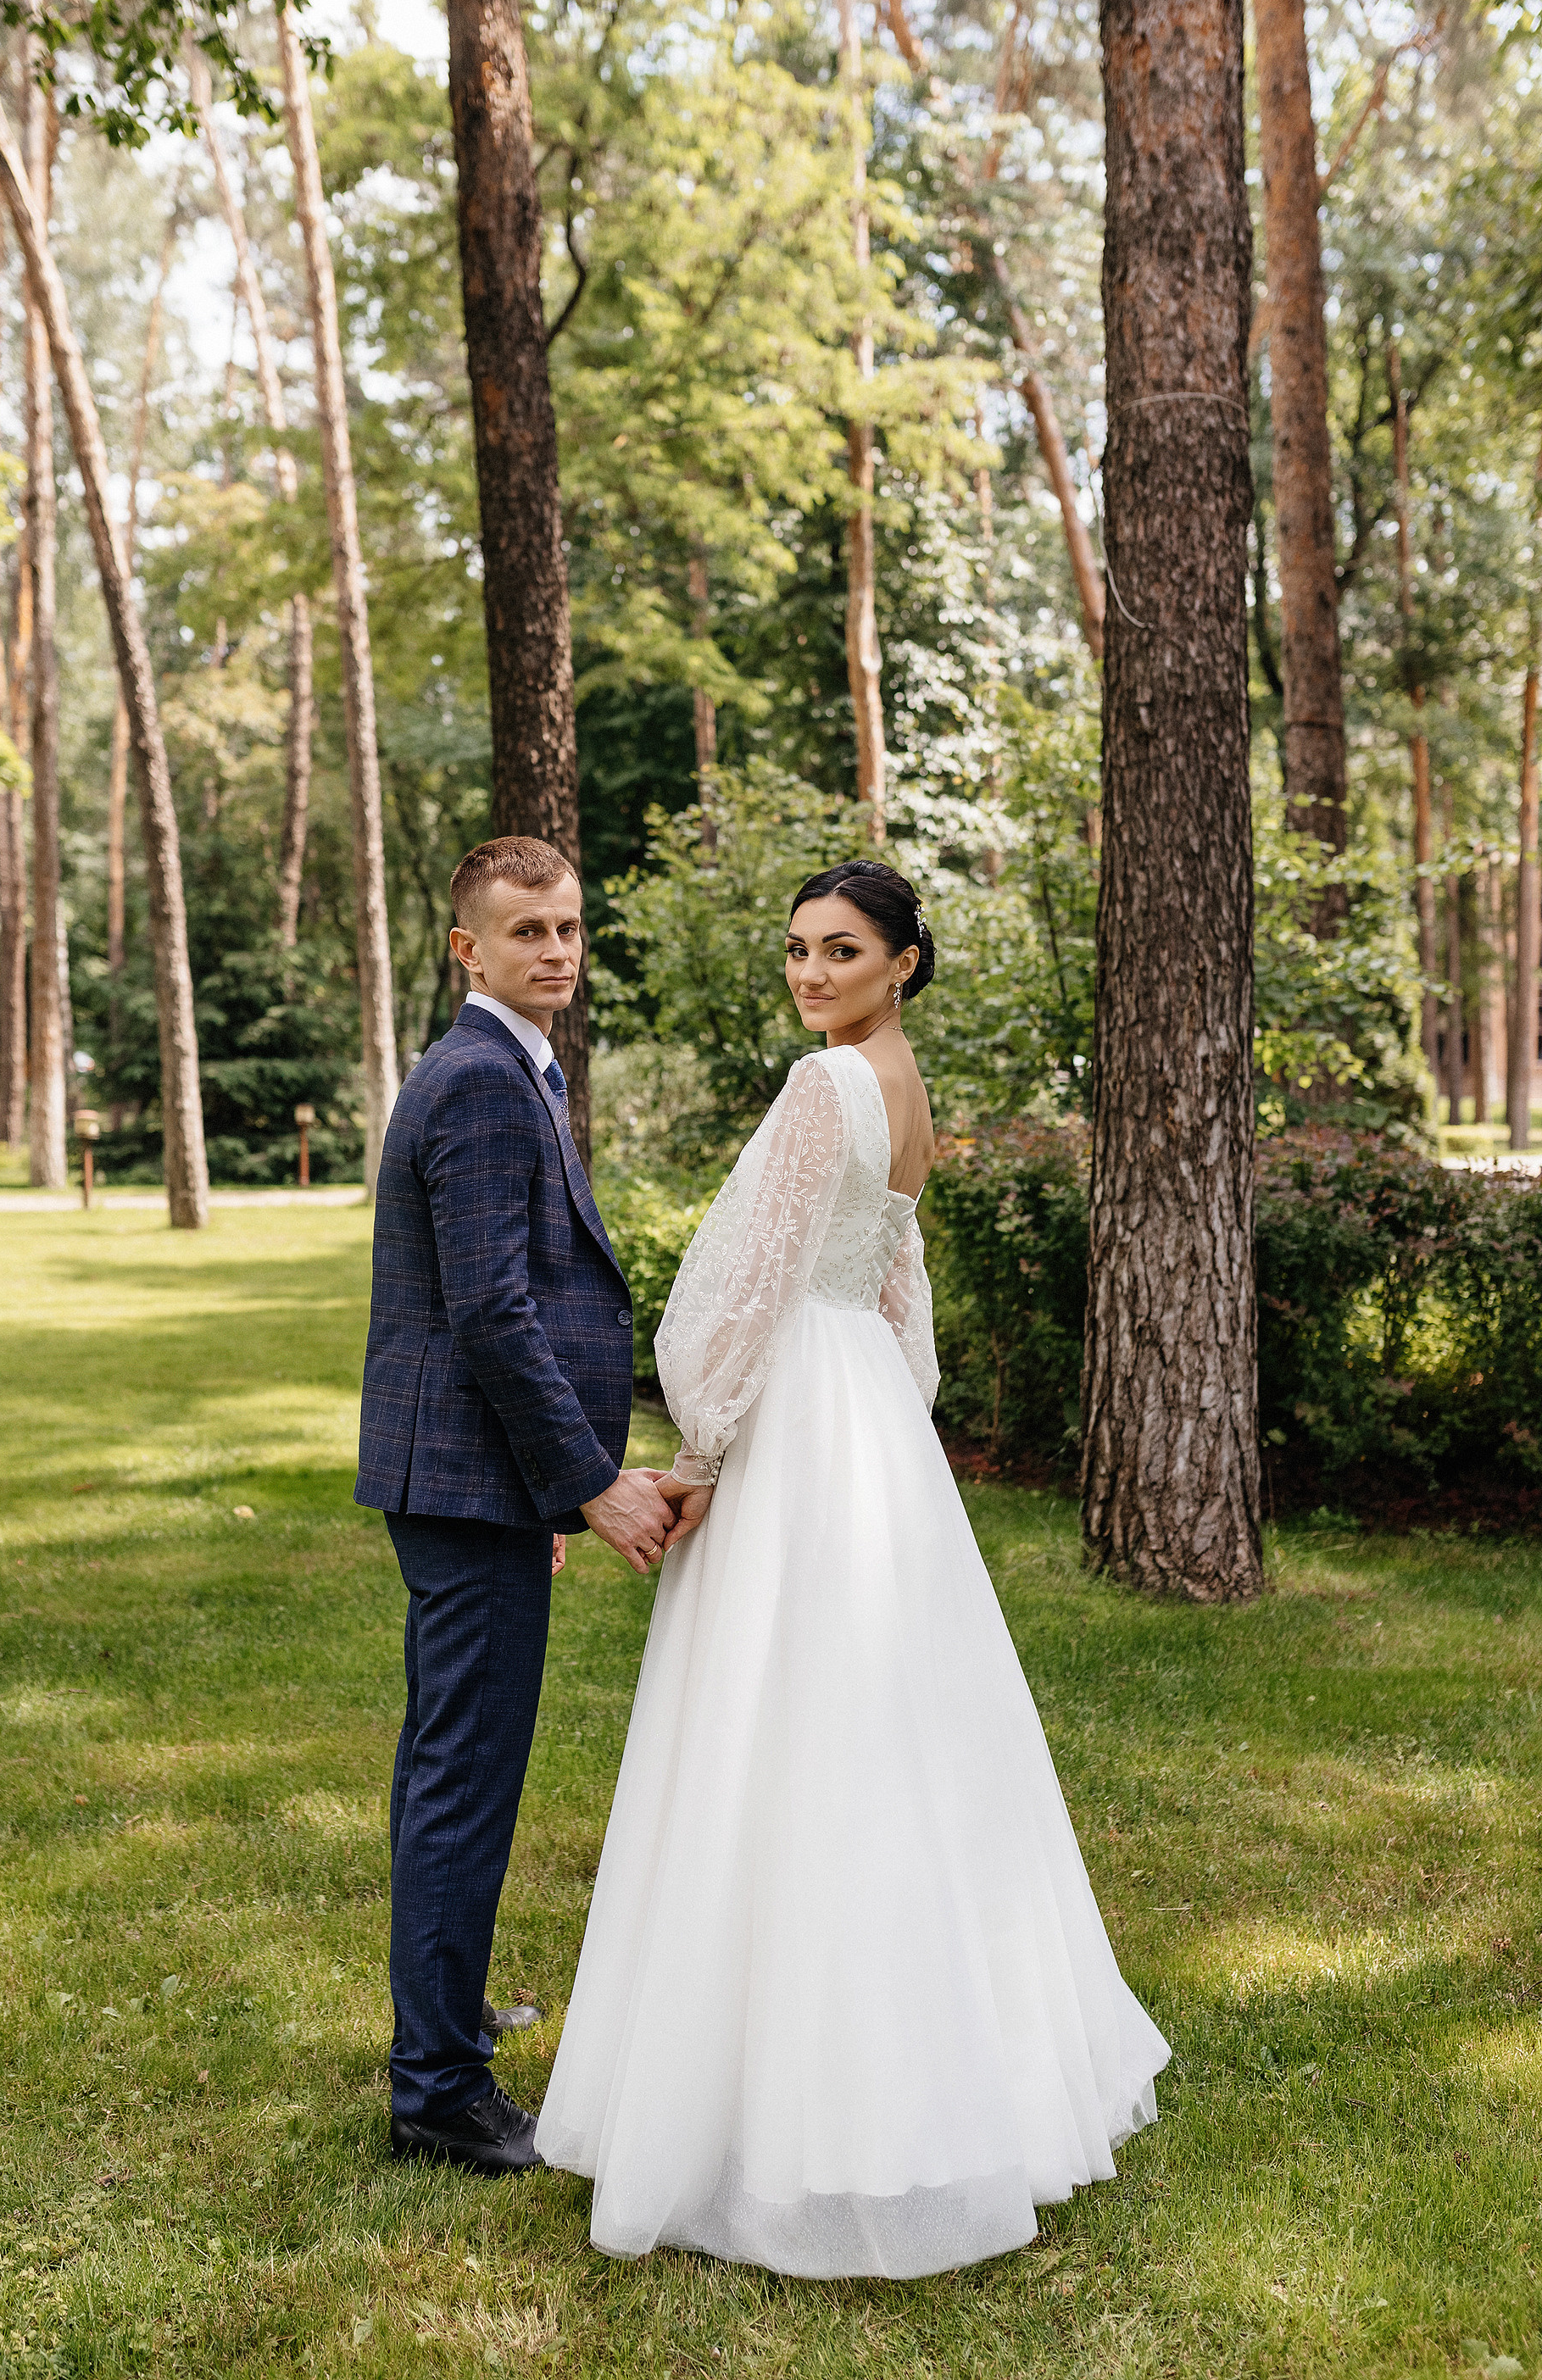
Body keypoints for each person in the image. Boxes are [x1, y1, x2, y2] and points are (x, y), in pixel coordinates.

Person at [537, 858, 1170, 2277]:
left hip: (799, 1416)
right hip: (862, 1409)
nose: (812, 973)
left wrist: (699, 1442)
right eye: (799, 950)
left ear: (904, 962)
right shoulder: (899, 1083)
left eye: (841, 952)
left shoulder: (822, 1088)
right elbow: (896, 1281)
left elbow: (743, 1278)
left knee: (789, 1732)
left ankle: (784, 2111)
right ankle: (953, 2069)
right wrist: (897, 1407)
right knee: (894, 1734)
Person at [355, 835, 700, 2177]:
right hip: (471, 1477)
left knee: (450, 1769)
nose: (555, 950)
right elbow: (494, 1314)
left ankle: (443, 2024)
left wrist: (535, 1503)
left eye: (567, 926)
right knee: (463, 1782)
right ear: (468, 952)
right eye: (526, 933)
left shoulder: (510, 1067)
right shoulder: (489, 1083)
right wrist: (588, 1487)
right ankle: (437, 2093)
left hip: (472, 1482)